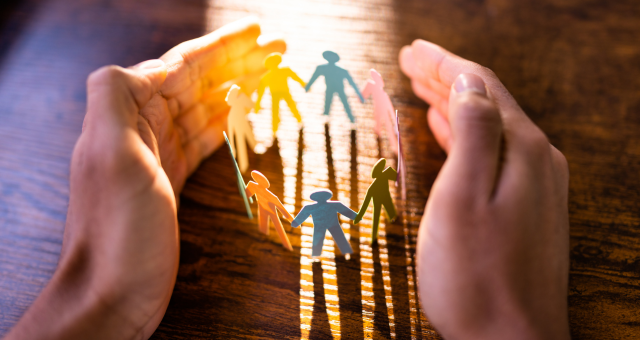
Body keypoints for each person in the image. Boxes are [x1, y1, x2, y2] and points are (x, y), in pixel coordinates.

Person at [4, 18, 570, 340]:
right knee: (331, 231)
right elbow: (320, 211)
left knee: (335, 232)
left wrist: (104, 298)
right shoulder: (277, 193)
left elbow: (332, 209)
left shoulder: (299, 191)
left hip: (331, 208)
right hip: (318, 209)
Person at [291, 189, 356, 259]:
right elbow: (346, 211)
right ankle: (317, 254)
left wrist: (295, 223)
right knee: (333, 237)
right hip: (329, 224)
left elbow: (346, 211)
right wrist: (356, 217)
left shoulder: (311, 207)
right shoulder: (334, 205)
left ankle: (317, 254)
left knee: (329, 238)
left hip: (325, 225)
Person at [305, 50, 365, 125]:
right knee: (329, 102)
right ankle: (328, 116)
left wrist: (308, 87)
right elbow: (314, 77)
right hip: (331, 89)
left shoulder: (339, 70)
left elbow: (352, 83)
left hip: (338, 89)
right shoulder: (328, 69)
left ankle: (351, 119)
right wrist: (307, 86)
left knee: (343, 103)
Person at [254, 52, 306, 134]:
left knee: (286, 108)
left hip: (280, 93)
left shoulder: (267, 77)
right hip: (279, 94)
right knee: (279, 110)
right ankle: (277, 128)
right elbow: (261, 92)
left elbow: (260, 93)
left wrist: (257, 104)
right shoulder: (283, 71)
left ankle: (297, 122)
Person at [245, 170, 294, 251]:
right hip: (262, 207)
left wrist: (292, 221)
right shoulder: (253, 186)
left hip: (272, 211)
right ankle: (263, 238)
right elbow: (247, 195)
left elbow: (282, 209)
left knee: (278, 227)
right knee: (263, 226)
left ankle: (287, 246)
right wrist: (246, 190)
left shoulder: (272, 197)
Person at [354, 158, 398, 243]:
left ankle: (392, 219)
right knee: (377, 218)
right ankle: (374, 237)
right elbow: (365, 203)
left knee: (383, 215)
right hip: (381, 201)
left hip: (385, 199)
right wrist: (359, 215)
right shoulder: (374, 186)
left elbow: (396, 177)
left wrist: (360, 215)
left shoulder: (383, 176)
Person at [361, 69, 398, 154]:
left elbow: (389, 108)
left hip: (384, 111)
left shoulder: (383, 94)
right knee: (378, 124)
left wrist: (393, 118)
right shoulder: (372, 86)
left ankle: (394, 146)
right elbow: (365, 93)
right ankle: (379, 135)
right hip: (377, 109)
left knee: (388, 127)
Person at [225, 84, 257, 173]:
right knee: (242, 146)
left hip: (245, 125)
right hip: (240, 130)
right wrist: (233, 148)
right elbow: (230, 133)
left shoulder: (241, 99)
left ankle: (256, 152)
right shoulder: (230, 116)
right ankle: (244, 167)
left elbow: (252, 105)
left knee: (252, 141)